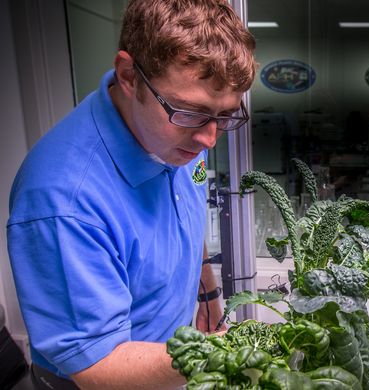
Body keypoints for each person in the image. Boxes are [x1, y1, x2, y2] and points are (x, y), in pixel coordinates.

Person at [6, 0, 256, 388]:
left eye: (226, 115)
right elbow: (96, 365)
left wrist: (207, 296)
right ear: (128, 75)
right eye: (192, 113)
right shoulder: (63, 202)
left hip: (166, 358)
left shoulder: (178, 136)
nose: (210, 138)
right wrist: (223, 352)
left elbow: (185, 215)